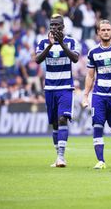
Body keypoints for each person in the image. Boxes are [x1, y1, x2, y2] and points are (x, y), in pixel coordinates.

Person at [82, 20, 111, 170]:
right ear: (98, 33)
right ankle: (101, 161)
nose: (106, 32)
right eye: (102, 30)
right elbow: (90, 76)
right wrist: (85, 95)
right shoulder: (93, 52)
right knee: (97, 125)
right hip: (99, 95)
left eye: (108, 29)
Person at [35, 14, 80, 168]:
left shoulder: (72, 41)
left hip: (66, 87)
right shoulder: (42, 42)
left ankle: (61, 157)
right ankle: (58, 156)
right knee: (54, 123)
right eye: (52, 25)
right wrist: (50, 45)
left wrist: (62, 44)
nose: (54, 27)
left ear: (63, 27)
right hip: (49, 88)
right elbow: (37, 60)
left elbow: (75, 58)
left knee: (62, 119)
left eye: (57, 25)